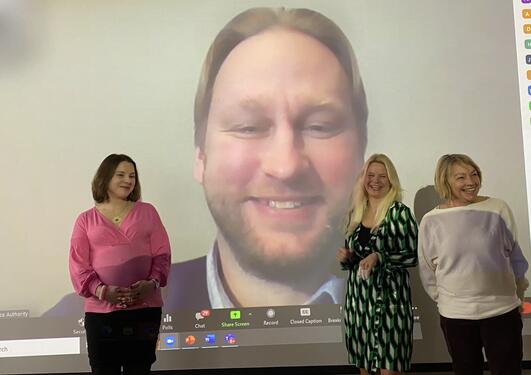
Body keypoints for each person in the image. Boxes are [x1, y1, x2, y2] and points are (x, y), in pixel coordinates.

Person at [45, 6, 368, 315]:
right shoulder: (70, 318)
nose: (285, 166)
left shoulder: (409, 297)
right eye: (248, 126)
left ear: (361, 153)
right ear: (200, 156)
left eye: (320, 126)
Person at [418, 154, 529, 375]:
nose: (471, 182)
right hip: (456, 316)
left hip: (501, 311)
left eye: (474, 174)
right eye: (461, 177)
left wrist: (515, 295)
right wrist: (449, 301)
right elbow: (427, 269)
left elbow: (514, 256)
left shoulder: (497, 208)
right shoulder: (431, 220)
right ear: (445, 181)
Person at [69, 154, 171, 375]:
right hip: (100, 314)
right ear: (105, 177)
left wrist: (151, 284)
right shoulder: (85, 220)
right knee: (104, 369)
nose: (128, 180)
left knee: (140, 368)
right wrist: (103, 292)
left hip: (145, 311)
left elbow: (162, 255)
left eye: (132, 176)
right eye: (121, 174)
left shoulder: (148, 212)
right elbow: (78, 265)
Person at [337, 153, 418, 375]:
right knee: (363, 367)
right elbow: (357, 262)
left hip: (390, 304)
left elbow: (413, 255)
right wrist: (348, 258)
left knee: (389, 368)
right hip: (359, 304)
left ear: (391, 180)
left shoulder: (400, 214)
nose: (376, 180)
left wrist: (380, 257)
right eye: (371, 175)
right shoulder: (355, 213)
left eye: (383, 176)